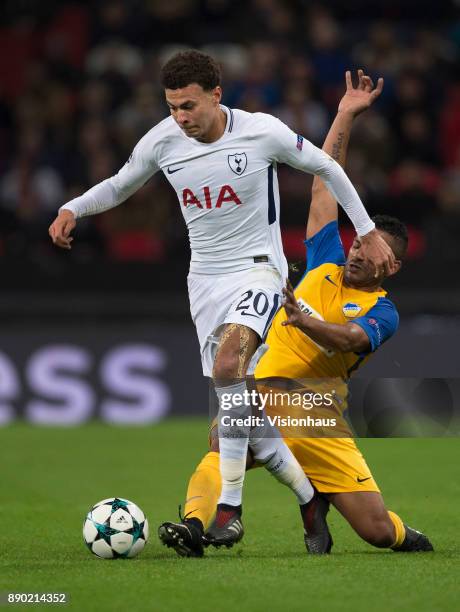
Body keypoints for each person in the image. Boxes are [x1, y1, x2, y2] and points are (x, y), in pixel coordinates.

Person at [49, 51, 394, 550]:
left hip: (260, 270)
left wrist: (367, 231)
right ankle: (306, 496)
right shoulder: (164, 142)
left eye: (188, 105)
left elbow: (326, 169)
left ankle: (229, 510)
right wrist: (72, 207)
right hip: (205, 282)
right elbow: (121, 185)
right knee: (241, 412)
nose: (180, 118)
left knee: (231, 366)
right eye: (171, 107)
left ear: (216, 93)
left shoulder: (261, 132)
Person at [160, 70, 433, 557]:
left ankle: (399, 532)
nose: (356, 252)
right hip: (265, 388)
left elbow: (349, 340)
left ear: (390, 265)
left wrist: (304, 320)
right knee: (221, 445)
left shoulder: (383, 311)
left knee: (375, 531)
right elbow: (323, 182)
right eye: (358, 242)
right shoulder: (326, 257)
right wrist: (345, 113)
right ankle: (196, 527)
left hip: (316, 408)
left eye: (370, 251)